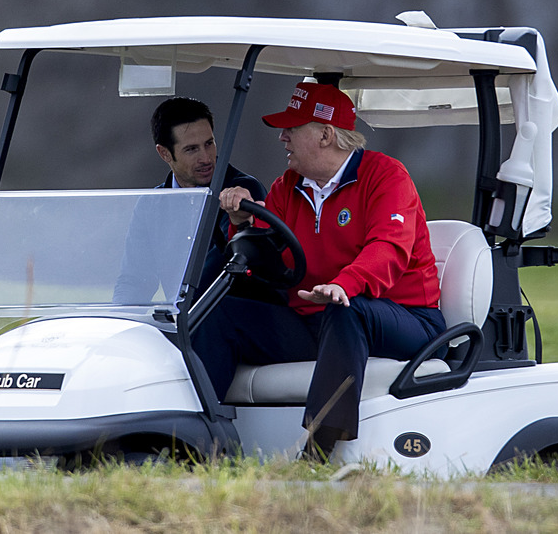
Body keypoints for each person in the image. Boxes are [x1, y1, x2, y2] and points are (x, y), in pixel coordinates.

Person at [193, 82, 447, 461]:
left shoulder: (385, 176)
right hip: (318, 320)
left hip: (404, 318)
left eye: (292, 130)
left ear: (326, 134)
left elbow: (388, 249)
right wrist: (238, 223)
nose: (283, 138)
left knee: (349, 310)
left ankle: (319, 448)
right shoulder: (287, 187)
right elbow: (263, 258)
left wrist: (343, 285)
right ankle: (200, 440)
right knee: (220, 316)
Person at [115, 97, 269, 303]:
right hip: (182, 321)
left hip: (228, 320)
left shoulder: (242, 191)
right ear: (164, 153)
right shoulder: (151, 205)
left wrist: (182, 309)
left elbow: (222, 268)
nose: (206, 158)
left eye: (209, 144)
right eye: (191, 149)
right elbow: (134, 280)